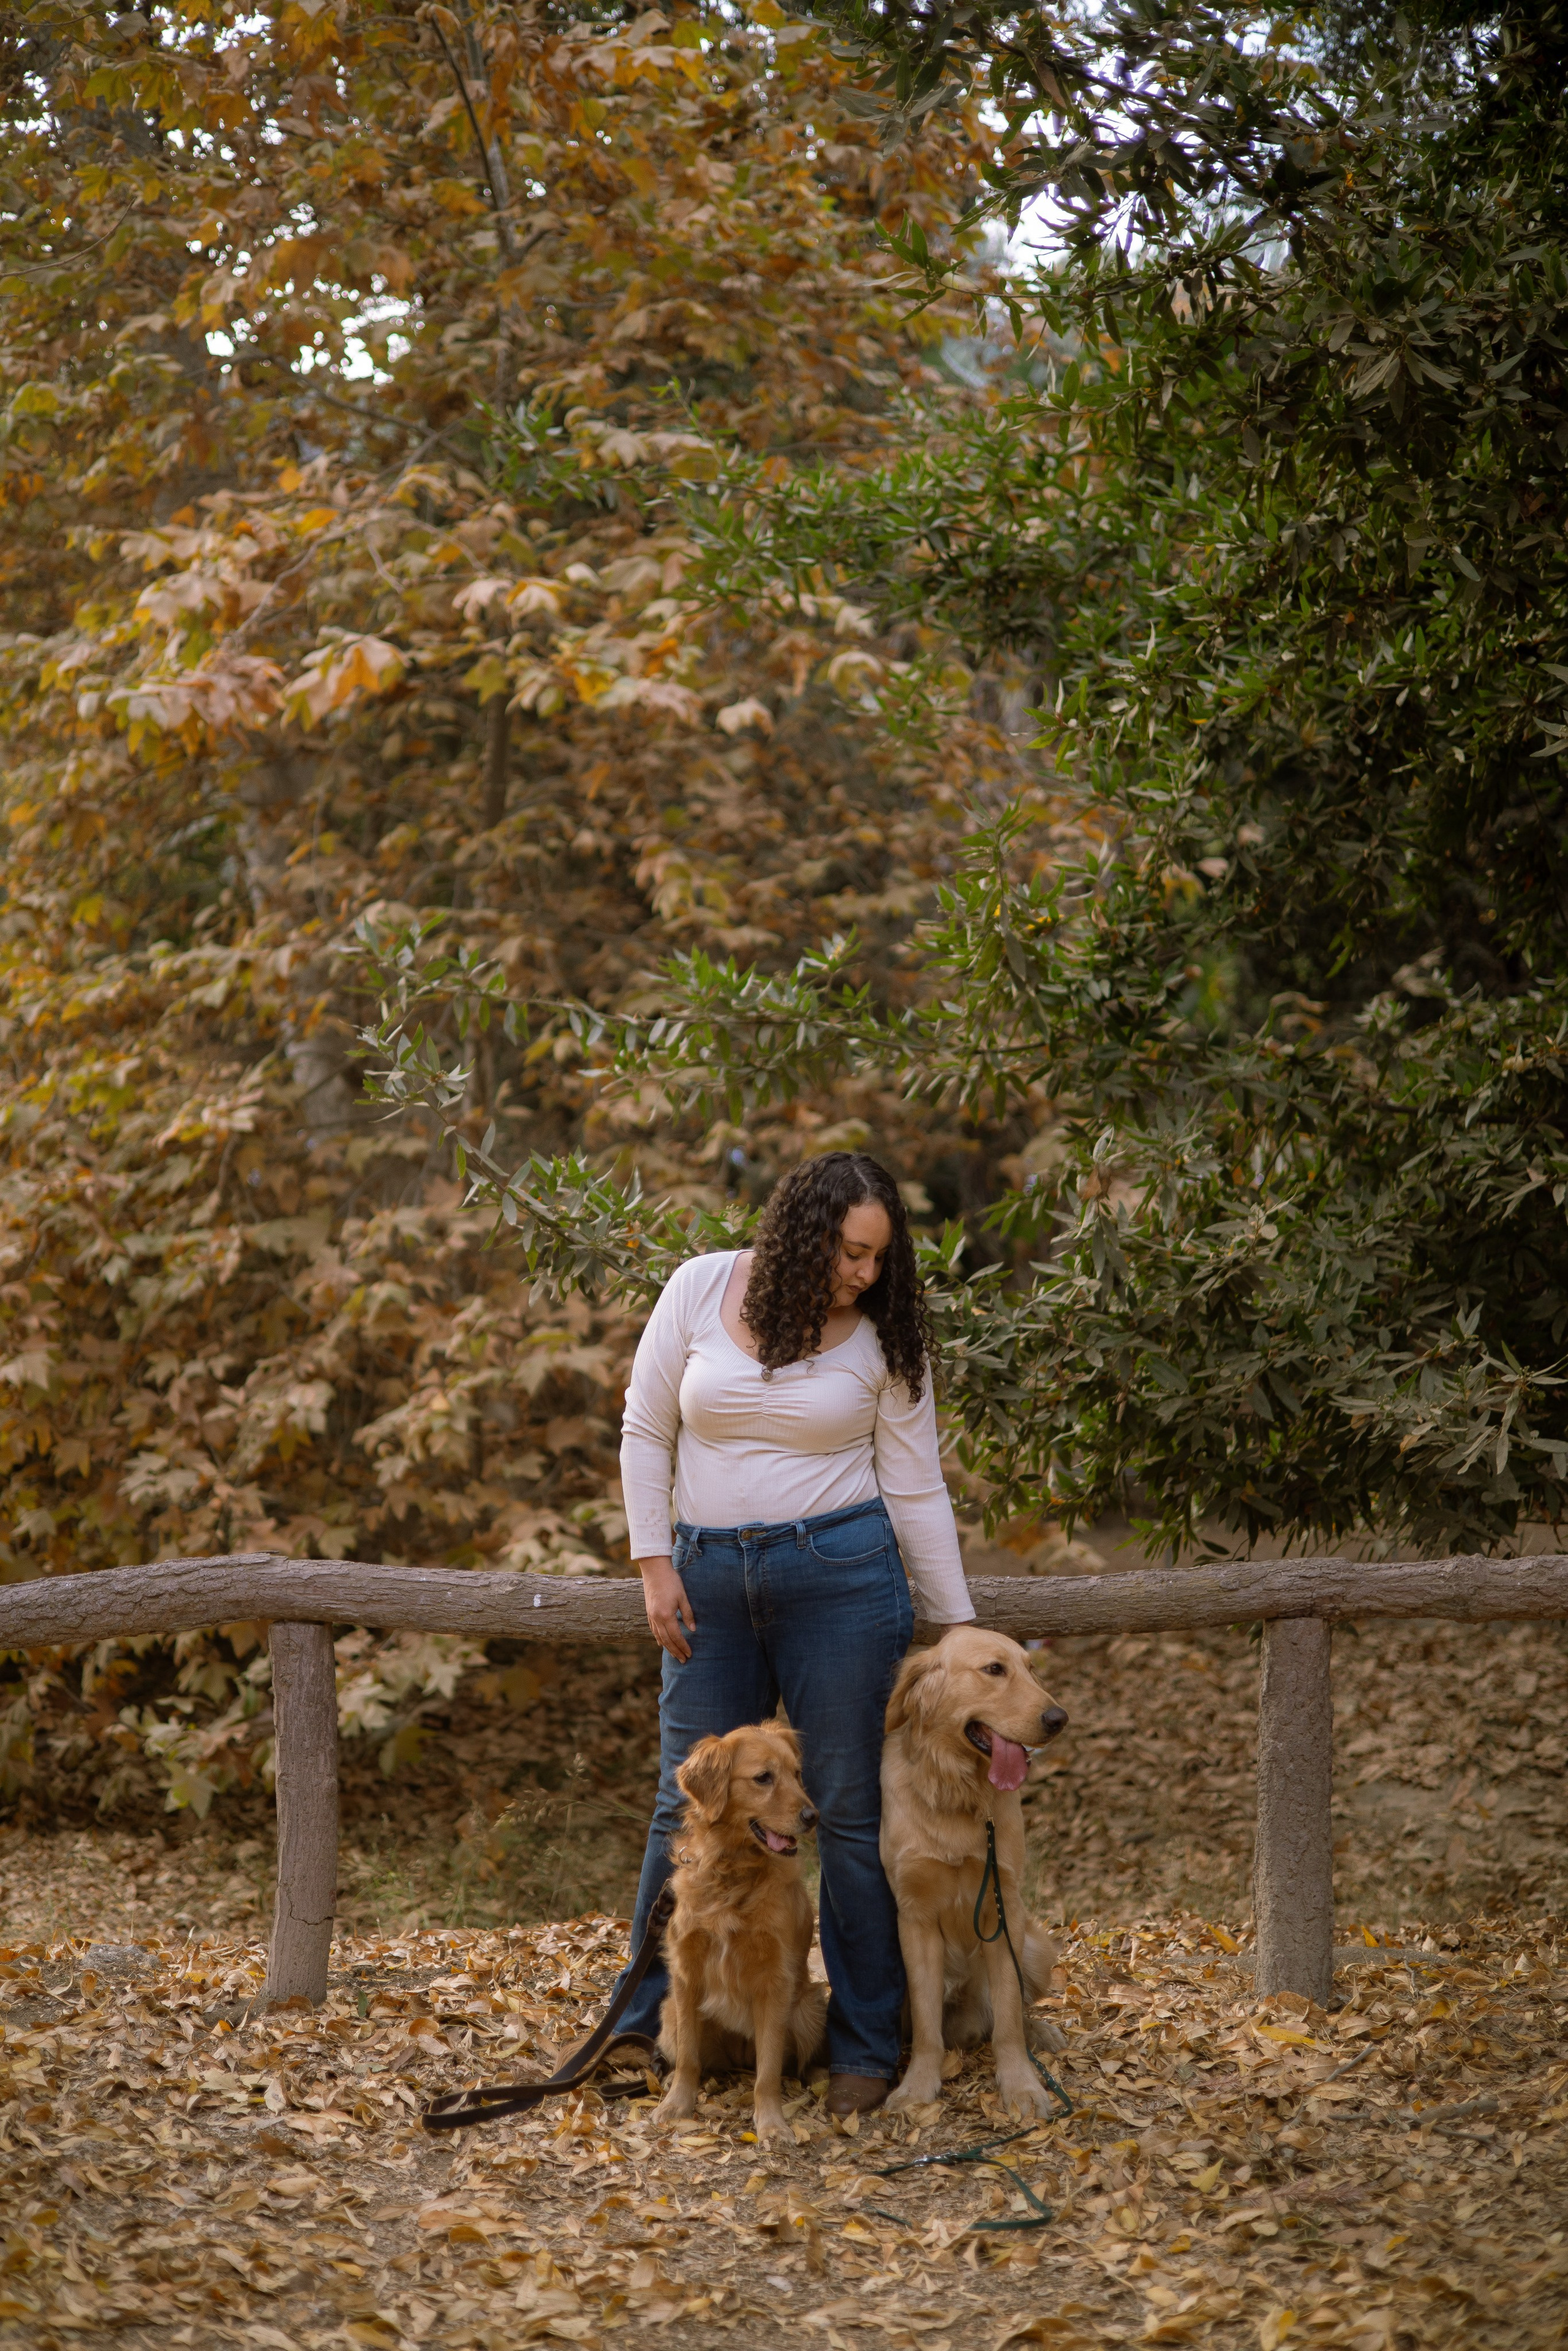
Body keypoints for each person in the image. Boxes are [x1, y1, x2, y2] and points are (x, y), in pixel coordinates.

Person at [614, 1149, 974, 2118]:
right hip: (707, 1586)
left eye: (877, 1259)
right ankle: (644, 2034)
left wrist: (962, 1627)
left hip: (843, 1582)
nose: (865, 1274)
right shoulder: (697, 1287)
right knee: (679, 1802)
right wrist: (654, 1559)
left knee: (849, 1813)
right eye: (852, 1251)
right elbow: (647, 1427)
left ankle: (861, 2045)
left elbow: (915, 1484)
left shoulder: (882, 1338)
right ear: (804, 1230)